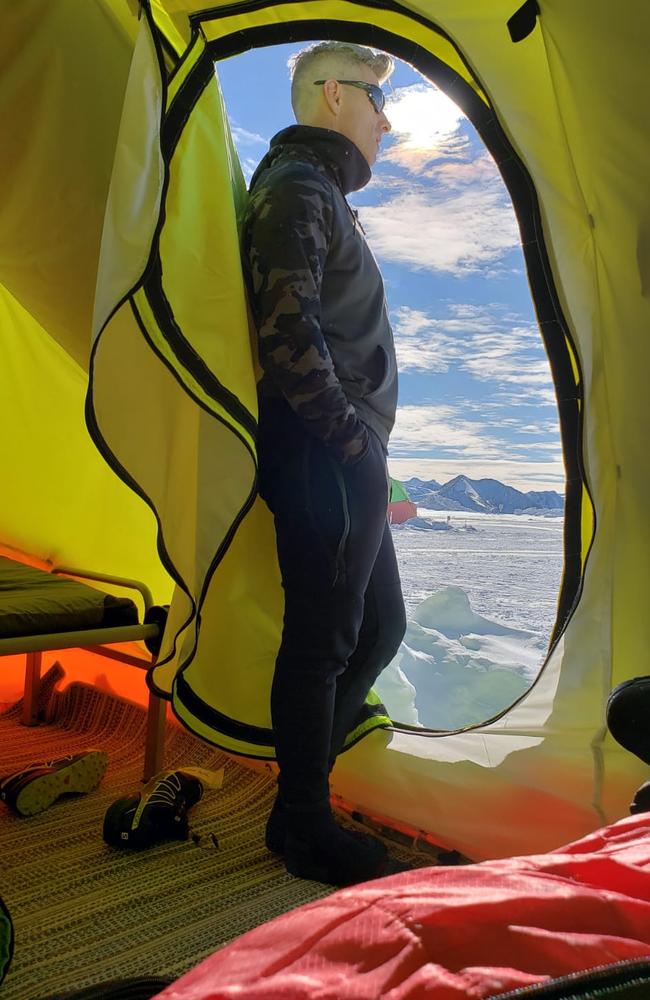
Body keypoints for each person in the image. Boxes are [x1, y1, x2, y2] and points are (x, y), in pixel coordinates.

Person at [242, 41, 407, 886]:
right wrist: (349, 443)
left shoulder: (319, 193)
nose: (387, 120)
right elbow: (287, 328)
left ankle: (300, 798)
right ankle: (301, 822)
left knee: (379, 629)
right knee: (324, 640)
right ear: (335, 96)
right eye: (379, 101)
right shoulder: (301, 187)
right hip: (325, 453)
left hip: (345, 453)